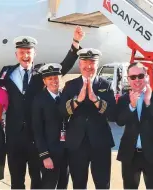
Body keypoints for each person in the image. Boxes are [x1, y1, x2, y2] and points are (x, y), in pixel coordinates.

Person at [0, 27, 84, 189]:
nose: (25, 56)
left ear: (34, 54)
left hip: (35, 138)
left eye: (29, 52)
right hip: (14, 138)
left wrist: (75, 44)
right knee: (16, 179)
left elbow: (63, 67)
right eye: (22, 52)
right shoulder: (7, 73)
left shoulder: (41, 72)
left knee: (37, 179)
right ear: (16, 55)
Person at [59, 48, 116, 189]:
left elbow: (113, 114)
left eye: (92, 62)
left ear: (97, 64)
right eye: (85, 61)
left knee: (102, 184)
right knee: (78, 184)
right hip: (76, 143)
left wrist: (95, 100)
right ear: (79, 64)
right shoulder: (71, 85)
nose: (88, 66)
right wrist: (77, 100)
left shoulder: (105, 85)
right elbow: (61, 112)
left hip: (100, 143)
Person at [115, 63, 153, 189]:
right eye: (133, 77)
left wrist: (148, 102)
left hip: (152, 153)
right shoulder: (123, 99)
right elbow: (119, 121)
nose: (137, 80)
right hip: (130, 154)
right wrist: (131, 106)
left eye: (140, 76)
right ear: (128, 79)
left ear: (147, 76)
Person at [32, 63, 70, 189]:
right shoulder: (39, 100)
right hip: (50, 152)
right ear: (44, 81)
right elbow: (37, 130)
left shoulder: (65, 97)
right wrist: (45, 155)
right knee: (49, 185)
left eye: (56, 77)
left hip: (65, 151)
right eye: (50, 78)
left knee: (63, 184)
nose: (54, 81)